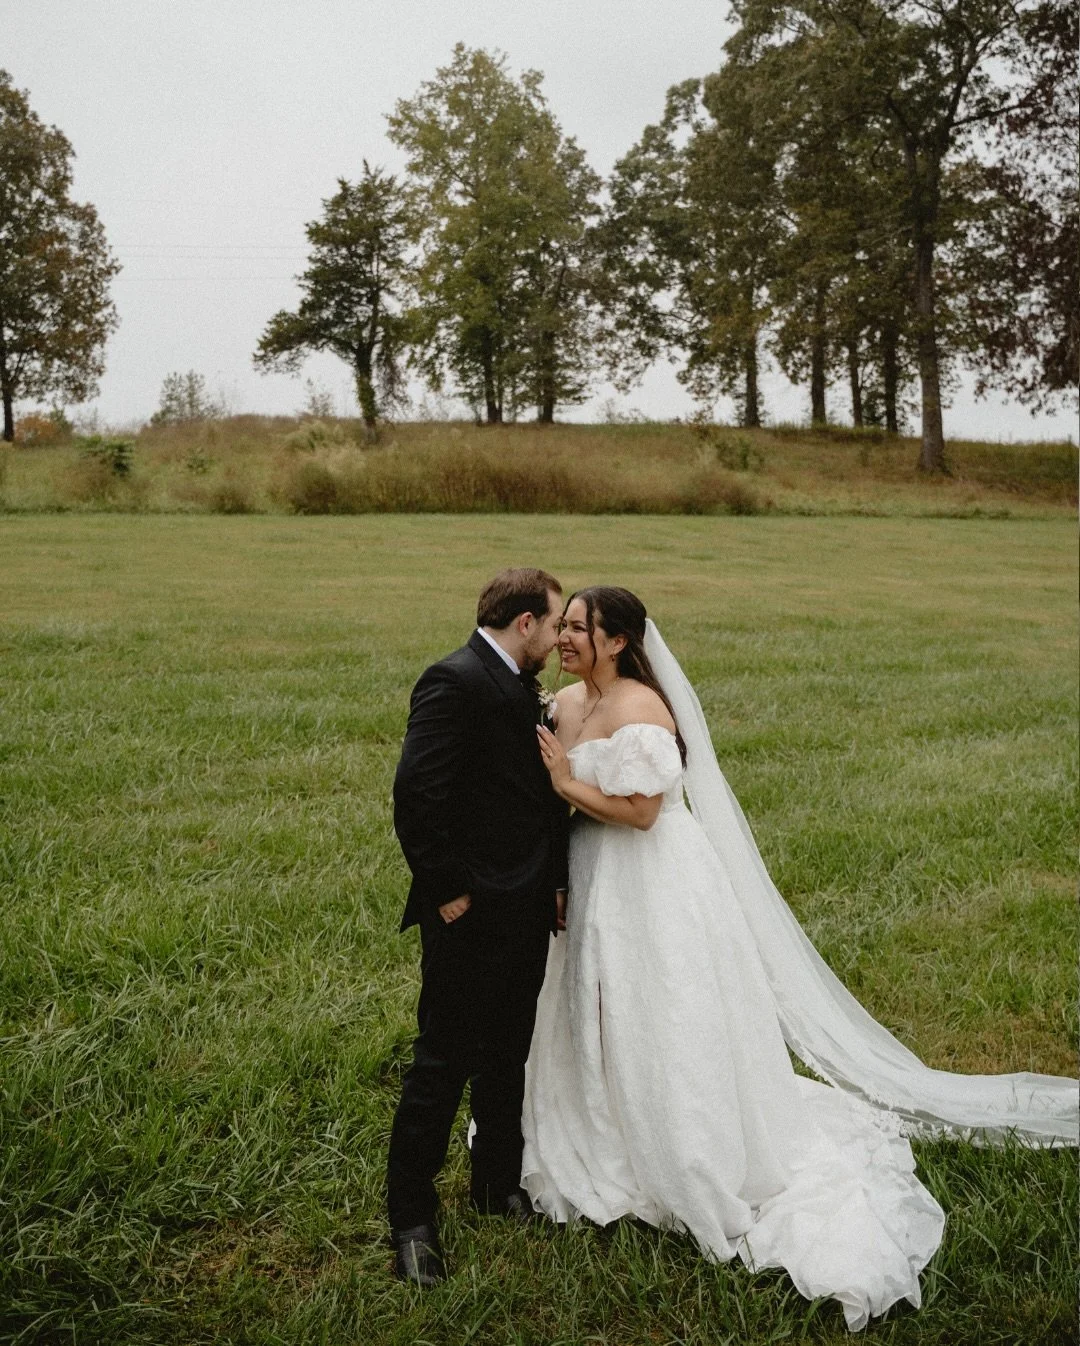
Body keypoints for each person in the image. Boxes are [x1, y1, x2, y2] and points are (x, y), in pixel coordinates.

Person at [525, 586, 1077, 1331]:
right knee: (599, 1003)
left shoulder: (641, 710)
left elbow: (645, 812)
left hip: (651, 880)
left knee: (664, 1004)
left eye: (578, 627)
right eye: (562, 626)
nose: (564, 637)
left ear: (618, 640)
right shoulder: (563, 704)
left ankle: (682, 1142)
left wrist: (566, 781)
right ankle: (607, 1124)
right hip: (591, 874)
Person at [387, 567, 569, 1287]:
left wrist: (553, 881)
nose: (559, 640)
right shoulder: (453, 680)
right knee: (443, 1062)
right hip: (470, 910)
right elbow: (416, 793)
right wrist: (449, 889)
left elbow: (538, 800)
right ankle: (411, 1220)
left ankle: (496, 1186)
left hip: (525, 907)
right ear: (524, 622)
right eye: (555, 625)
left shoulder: (521, 687)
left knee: (508, 1055)